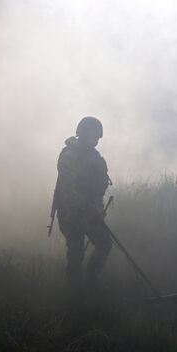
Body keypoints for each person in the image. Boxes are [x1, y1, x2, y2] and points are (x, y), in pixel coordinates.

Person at [54, 116, 113, 289]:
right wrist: (90, 208)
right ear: (83, 133)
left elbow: (97, 190)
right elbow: (69, 193)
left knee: (104, 244)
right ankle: (73, 292)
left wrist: (98, 209)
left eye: (98, 137)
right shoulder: (69, 157)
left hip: (90, 212)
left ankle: (91, 281)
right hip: (71, 214)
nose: (96, 141)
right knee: (76, 253)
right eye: (94, 136)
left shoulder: (95, 158)